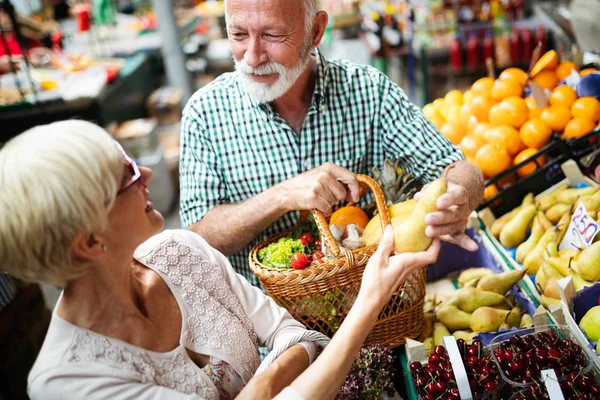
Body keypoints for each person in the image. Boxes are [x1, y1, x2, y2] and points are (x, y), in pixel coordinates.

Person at [0, 120, 440, 400]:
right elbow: (293, 350)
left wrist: (262, 386)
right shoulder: (66, 383)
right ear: (90, 241)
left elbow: (298, 336)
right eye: (127, 175)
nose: (148, 174)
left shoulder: (179, 252)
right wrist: (368, 302)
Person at [180, 0, 484, 286]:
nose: (252, 57)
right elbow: (197, 237)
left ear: (315, 31)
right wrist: (281, 196)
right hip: (267, 334)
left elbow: (458, 169)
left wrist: (459, 196)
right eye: (238, 34)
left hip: (376, 317)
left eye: (272, 35)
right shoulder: (205, 114)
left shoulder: (368, 92)